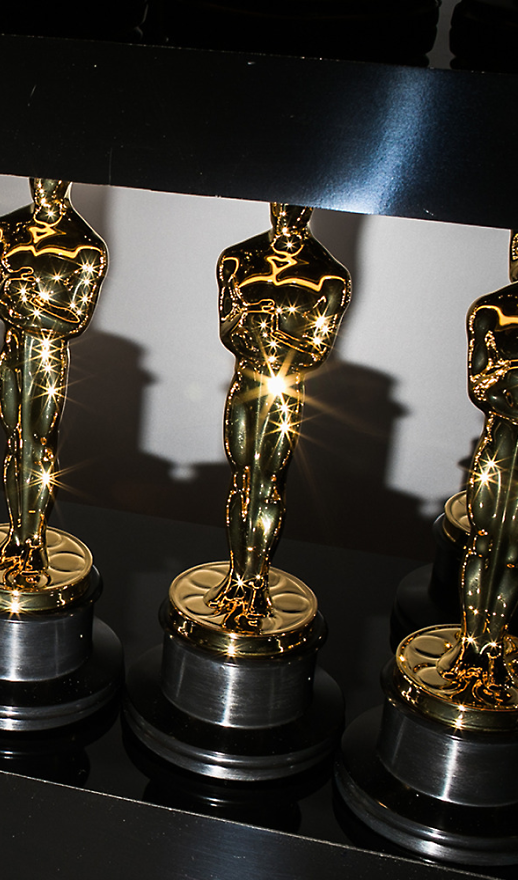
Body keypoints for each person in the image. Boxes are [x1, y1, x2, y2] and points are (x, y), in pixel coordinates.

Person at [206, 203, 351, 628]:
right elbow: (226, 330)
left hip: (284, 390)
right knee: (242, 478)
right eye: (279, 201)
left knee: (266, 482)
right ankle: (237, 575)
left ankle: (255, 582)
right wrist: (249, 324)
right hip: (244, 384)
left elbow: (318, 351)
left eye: (298, 203)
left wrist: (277, 335)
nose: (287, 210)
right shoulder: (237, 258)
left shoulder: (329, 275)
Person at [0, 178, 107, 583]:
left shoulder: (86, 245)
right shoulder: (4, 229)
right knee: (16, 440)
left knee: (37, 445)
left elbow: (77, 320)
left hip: (47, 353)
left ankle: (33, 542)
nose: (44, 184)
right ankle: (16, 536)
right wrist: (12, 295)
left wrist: (32, 302)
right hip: (13, 348)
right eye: (37, 174)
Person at [441, 229, 518, 703]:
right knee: (485, 538)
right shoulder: (490, 310)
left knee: (511, 550)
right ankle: (472, 641)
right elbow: (478, 383)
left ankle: (491, 644)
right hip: (499, 443)